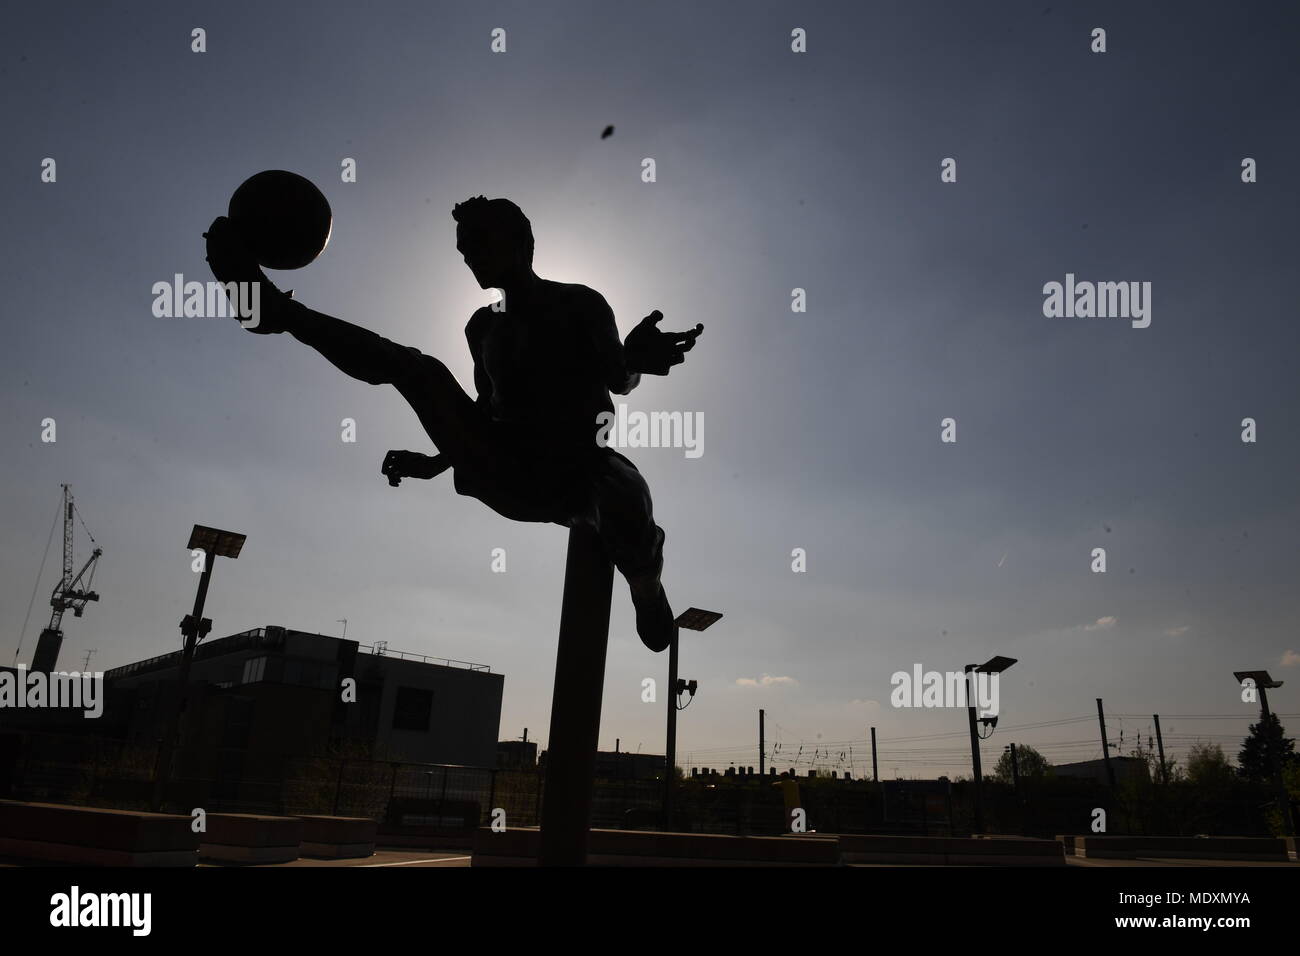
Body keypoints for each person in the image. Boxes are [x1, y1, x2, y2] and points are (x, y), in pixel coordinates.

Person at [203, 196, 702, 651]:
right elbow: (488, 409)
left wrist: (637, 357)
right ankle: (277, 313)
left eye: (480, 246)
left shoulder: (580, 302)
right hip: (509, 463)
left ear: (522, 242)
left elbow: (619, 378)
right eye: (464, 252)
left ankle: (645, 584)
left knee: (623, 498)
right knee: (418, 369)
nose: (471, 260)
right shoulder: (481, 327)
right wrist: (437, 462)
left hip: (578, 466)